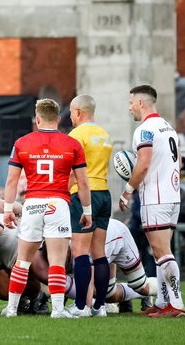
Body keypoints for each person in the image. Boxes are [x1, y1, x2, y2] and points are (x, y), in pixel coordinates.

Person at [1, 98, 92, 319]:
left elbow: (12, 181)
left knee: (23, 259)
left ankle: (12, 308)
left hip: (32, 204)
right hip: (58, 204)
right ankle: (58, 310)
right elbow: (83, 182)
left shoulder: (22, 143)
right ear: (59, 119)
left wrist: (7, 209)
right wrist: (87, 211)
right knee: (57, 261)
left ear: (37, 119)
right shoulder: (72, 144)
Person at [119, 85, 185, 318]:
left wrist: (127, 190)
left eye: (130, 102)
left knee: (161, 251)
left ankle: (176, 303)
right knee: (160, 252)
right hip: (172, 196)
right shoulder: (168, 128)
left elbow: (144, 164)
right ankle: (162, 301)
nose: (129, 107)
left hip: (155, 198)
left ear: (140, 103)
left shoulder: (144, 129)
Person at [66, 94, 113, 317]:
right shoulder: (104, 135)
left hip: (85, 195)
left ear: (78, 112)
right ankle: (99, 306)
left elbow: (75, 173)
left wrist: (64, 191)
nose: (70, 117)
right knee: (99, 252)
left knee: (80, 251)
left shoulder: (76, 135)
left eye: (71, 112)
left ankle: (80, 307)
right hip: (104, 193)